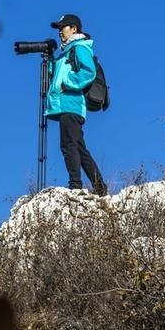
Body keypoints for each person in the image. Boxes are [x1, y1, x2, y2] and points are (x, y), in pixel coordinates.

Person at [46, 14, 107, 196]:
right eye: (58, 28)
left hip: (72, 104)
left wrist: (68, 83)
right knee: (79, 148)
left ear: (74, 29)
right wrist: (50, 58)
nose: (59, 31)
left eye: (63, 27)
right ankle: (100, 187)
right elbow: (54, 75)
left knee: (68, 145)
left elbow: (88, 71)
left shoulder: (80, 47)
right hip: (66, 105)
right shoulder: (66, 53)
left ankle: (75, 185)